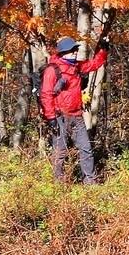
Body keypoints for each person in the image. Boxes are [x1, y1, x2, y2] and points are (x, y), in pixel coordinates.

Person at [39, 35, 108, 184]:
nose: (76, 52)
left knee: (86, 149)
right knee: (60, 152)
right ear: (63, 52)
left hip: (77, 116)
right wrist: (51, 118)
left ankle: (90, 182)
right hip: (59, 117)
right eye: (72, 50)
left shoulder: (76, 67)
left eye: (76, 49)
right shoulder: (52, 70)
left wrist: (103, 49)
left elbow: (94, 64)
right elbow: (46, 95)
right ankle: (59, 184)